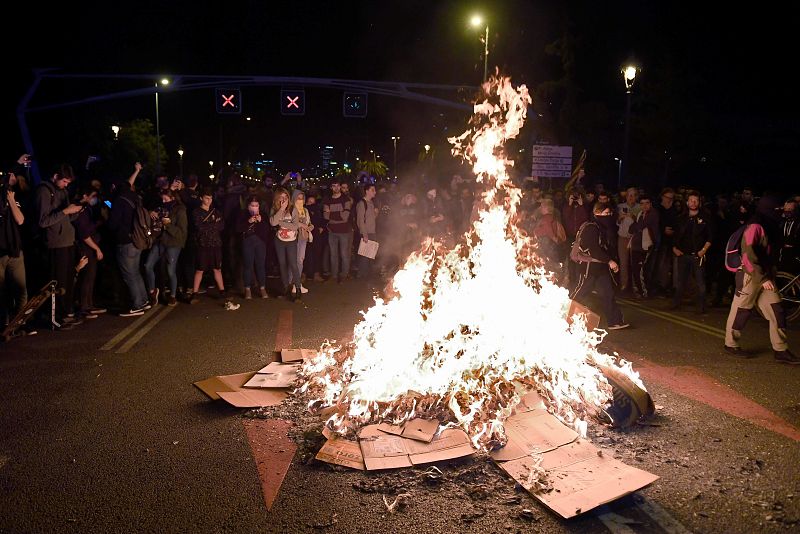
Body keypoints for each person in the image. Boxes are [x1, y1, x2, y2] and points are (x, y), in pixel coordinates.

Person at [724, 194, 799, 364]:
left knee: (777, 310)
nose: (781, 212)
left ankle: (780, 350)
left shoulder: (770, 224)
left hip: (765, 276)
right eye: (778, 209)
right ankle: (730, 344)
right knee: (741, 310)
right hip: (751, 276)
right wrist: (763, 277)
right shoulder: (755, 226)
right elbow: (748, 256)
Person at [570, 202, 629, 330]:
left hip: (600, 267)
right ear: (597, 213)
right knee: (580, 292)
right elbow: (593, 249)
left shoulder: (602, 228)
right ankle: (565, 316)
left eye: (610, 213)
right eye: (606, 213)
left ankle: (614, 321)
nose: (608, 216)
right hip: (588, 267)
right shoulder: (591, 227)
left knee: (608, 293)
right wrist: (610, 261)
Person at [37, 164, 83, 325]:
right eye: (64, 181)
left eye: (68, 183)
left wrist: (76, 211)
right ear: (55, 176)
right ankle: (54, 317)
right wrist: (65, 211)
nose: (66, 185)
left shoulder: (63, 191)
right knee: (58, 282)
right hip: (56, 244)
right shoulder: (44, 191)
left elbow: (66, 217)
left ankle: (65, 312)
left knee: (68, 281)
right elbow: (43, 221)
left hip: (68, 240)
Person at [108, 162, 150, 316]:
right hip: (137, 239)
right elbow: (129, 182)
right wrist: (137, 171)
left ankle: (137, 304)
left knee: (129, 274)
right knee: (136, 272)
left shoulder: (119, 201)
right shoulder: (135, 197)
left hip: (125, 241)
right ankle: (143, 300)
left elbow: (113, 224)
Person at [189, 188, 239, 310]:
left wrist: (210, 225)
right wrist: (213, 224)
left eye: (211, 198)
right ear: (201, 198)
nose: (209, 200)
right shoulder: (196, 212)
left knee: (217, 268)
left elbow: (221, 225)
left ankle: (222, 292)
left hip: (216, 243)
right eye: (206, 198)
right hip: (203, 244)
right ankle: (194, 294)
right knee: (200, 269)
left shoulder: (215, 211)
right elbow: (199, 227)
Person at [670, 191, 712, 314]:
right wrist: (674, 248)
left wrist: (703, 250)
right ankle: (676, 303)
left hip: (697, 254)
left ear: (699, 202)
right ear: (687, 202)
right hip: (682, 254)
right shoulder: (681, 218)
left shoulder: (705, 218)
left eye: (696, 200)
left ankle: (701, 306)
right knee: (680, 281)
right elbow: (675, 235)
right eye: (691, 200)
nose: (693, 203)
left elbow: (710, 236)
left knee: (700, 282)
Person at [144, 188, 187, 307]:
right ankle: (153, 291)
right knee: (148, 266)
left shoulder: (180, 210)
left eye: (165, 199)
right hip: (160, 241)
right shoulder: (161, 208)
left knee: (170, 270)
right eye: (162, 199)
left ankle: (172, 295)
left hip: (173, 243)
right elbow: (153, 219)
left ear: (173, 198)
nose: (163, 201)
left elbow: (182, 232)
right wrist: (150, 212)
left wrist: (168, 225)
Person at [72, 184, 106, 318]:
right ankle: (84, 306)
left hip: (91, 244)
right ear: (85, 196)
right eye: (93, 196)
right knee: (87, 277)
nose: (95, 199)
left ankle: (89, 304)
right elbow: (84, 234)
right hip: (86, 247)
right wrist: (97, 249)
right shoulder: (80, 210)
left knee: (91, 277)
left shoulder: (89, 208)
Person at [0, 168, 27, 327]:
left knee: (21, 290)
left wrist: (11, 200)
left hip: (14, 250)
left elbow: (20, 219)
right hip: (1, 252)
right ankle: (4, 324)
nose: (13, 177)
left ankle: (19, 323)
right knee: (2, 293)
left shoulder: (12, 196)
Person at [270, 187, 302, 301]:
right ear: (277, 199)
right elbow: (273, 222)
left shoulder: (293, 209)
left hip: (291, 240)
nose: (284, 200)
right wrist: (281, 210)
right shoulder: (275, 208)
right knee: (282, 264)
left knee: (293, 264)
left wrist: (282, 222)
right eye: (281, 197)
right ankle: (285, 288)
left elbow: (295, 226)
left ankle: (298, 288)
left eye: (286, 197)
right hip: (279, 240)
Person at [237, 196, 269, 299]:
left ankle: (262, 288)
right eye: (252, 205)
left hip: (260, 243)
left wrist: (261, 221)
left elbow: (267, 231)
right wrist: (248, 221)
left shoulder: (263, 214)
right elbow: (237, 228)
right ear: (248, 206)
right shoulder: (243, 214)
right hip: (247, 241)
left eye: (256, 205)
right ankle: (247, 289)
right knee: (248, 265)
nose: (254, 207)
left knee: (260, 265)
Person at [323, 178, 353, 283]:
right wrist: (338, 213)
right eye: (333, 186)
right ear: (331, 187)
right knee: (333, 254)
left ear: (340, 186)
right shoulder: (327, 200)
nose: (336, 188)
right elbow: (325, 216)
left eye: (337, 185)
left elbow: (345, 216)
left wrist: (331, 213)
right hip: (332, 231)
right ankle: (334, 276)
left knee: (344, 254)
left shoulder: (346, 199)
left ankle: (344, 275)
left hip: (344, 231)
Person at [355, 184, 378, 279]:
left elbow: (371, 219)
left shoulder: (371, 203)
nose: (375, 192)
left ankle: (367, 274)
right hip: (366, 233)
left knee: (370, 255)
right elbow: (360, 220)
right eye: (372, 190)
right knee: (364, 255)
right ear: (367, 191)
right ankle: (361, 275)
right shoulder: (362, 203)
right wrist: (364, 234)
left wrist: (376, 213)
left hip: (372, 232)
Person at [292, 189, 313, 293]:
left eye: (302, 198)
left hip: (303, 237)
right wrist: (300, 224)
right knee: (293, 261)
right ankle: (291, 283)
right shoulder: (291, 210)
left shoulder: (305, 210)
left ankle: (297, 284)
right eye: (298, 198)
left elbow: (308, 222)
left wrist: (310, 226)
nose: (300, 200)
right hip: (293, 237)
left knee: (300, 260)